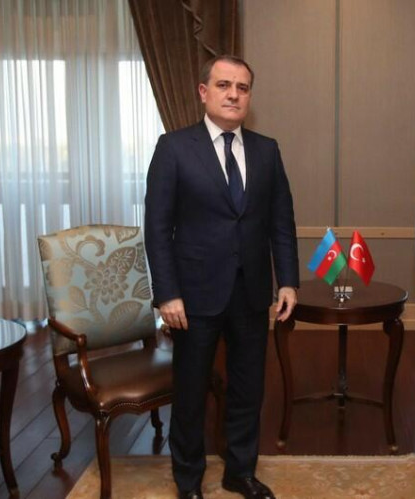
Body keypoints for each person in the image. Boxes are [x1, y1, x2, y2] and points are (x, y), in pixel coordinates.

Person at [145, 54, 299, 499]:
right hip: (192, 296)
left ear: (250, 96)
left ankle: (240, 471)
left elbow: (281, 222)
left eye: (242, 88)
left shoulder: (267, 150)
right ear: (203, 92)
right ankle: (188, 479)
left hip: (251, 292)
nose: (233, 95)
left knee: (248, 388)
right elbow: (157, 228)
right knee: (191, 390)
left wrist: (288, 280)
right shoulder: (173, 148)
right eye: (224, 85)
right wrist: (167, 293)